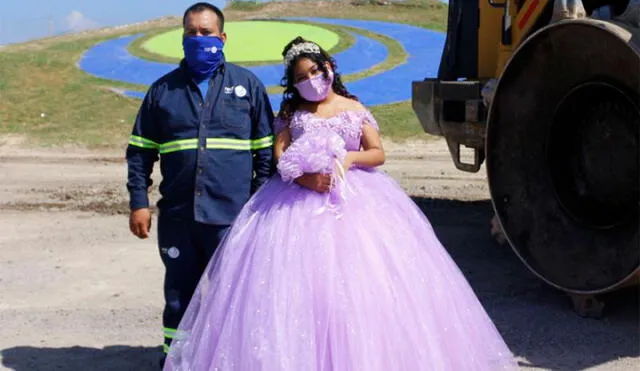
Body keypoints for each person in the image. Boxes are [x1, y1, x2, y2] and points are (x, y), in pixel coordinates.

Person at [163, 37, 518, 370]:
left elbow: (377, 153)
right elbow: (280, 157)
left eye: (315, 71)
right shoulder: (291, 112)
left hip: (356, 201)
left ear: (329, 66)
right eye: (301, 77)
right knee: (294, 292)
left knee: (360, 290)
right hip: (293, 206)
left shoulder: (354, 108)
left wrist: (348, 160)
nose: (311, 80)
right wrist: (306, 178)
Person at [125, 2, 274, 366]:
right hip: (178, 216)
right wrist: (138, 202)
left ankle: (229, 360)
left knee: (232, 295)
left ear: (222, 38)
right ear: (182, 37)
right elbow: (140, 152)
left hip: (232, 218)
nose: (198, 39)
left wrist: (258, 207)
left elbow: (266, 155)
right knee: (179, 296)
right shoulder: (163, 91)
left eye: (206, 33)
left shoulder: (247, 86)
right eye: (191, 32)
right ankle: (176, 361)